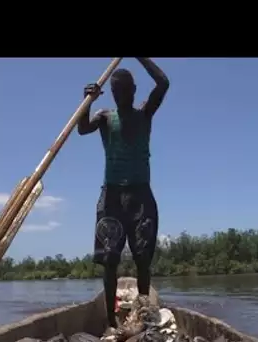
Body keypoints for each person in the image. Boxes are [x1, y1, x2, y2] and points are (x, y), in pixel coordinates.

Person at [77, 58, 169, 331]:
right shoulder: (105, 117)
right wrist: (87, 101)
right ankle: (110, 320)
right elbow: (82, 129)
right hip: (112, 197)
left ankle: (142, 317)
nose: (121, 96)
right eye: (116, 92)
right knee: (109, 262)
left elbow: (163, 83)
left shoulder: (145, 114)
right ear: (113, 94)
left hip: (141, 196)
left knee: (143, 259)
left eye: (125, 91)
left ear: (134, 90)